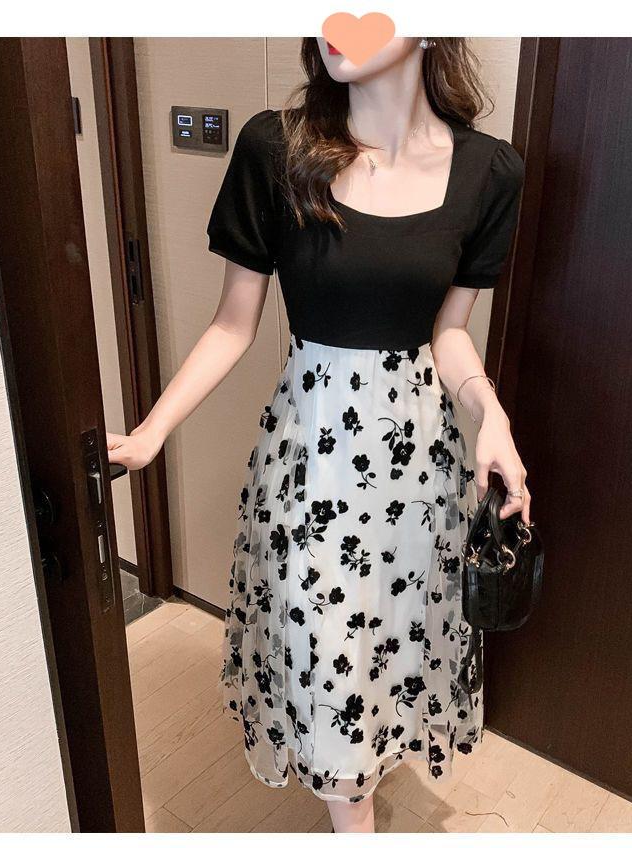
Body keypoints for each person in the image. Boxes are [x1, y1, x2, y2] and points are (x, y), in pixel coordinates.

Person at [107, 36, 530, 833]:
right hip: (315, 464)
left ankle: (360, 786)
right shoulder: (277, 149)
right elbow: (233, 323)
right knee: (327, 646)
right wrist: (151, 432)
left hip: (418, 469)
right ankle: (352, 815)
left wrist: (492, 416)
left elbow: (449, 333)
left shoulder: (489, 172)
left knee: (389, 645)